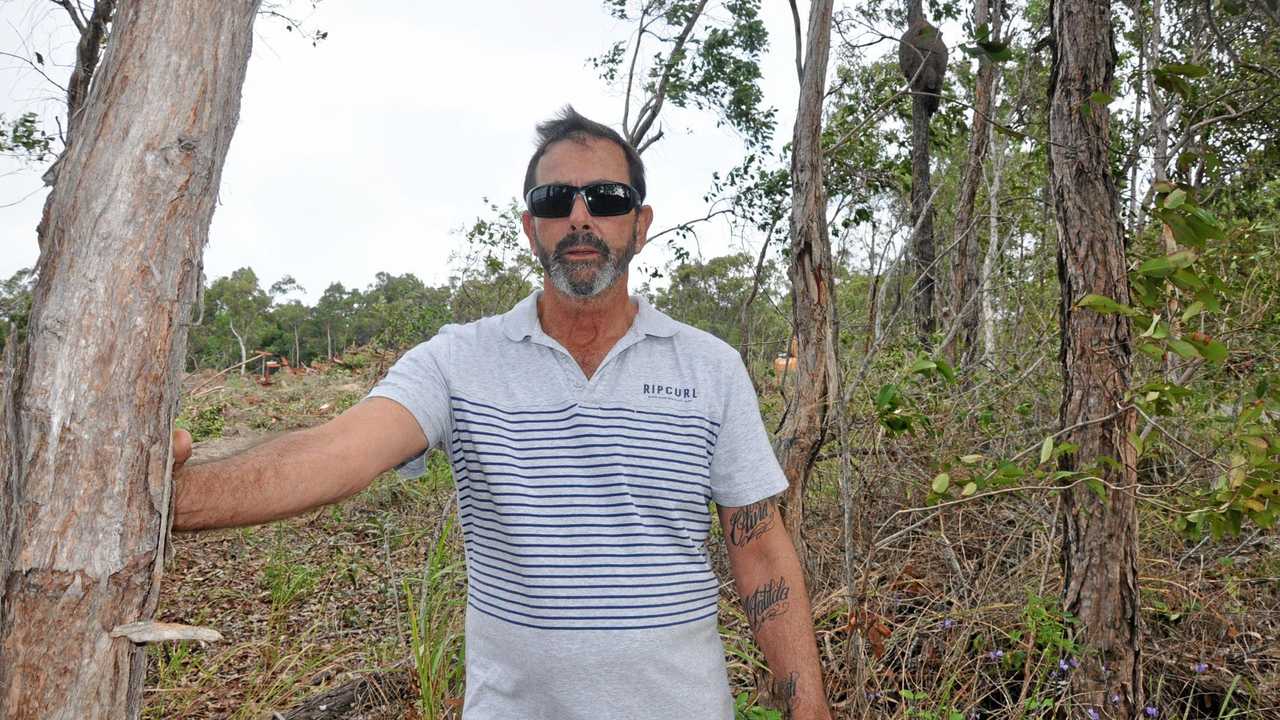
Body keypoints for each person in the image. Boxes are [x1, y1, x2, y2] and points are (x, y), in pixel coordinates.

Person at [173, 106, 831, 720]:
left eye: (605, 199)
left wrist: (809, 710)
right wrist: (171, 498)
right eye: (554, 201)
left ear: (640, 222)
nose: (580, 217)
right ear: (529, 227)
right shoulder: (461, 362)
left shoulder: (709, 368)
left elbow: (762, 552)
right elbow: (342, 451)